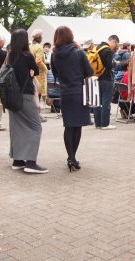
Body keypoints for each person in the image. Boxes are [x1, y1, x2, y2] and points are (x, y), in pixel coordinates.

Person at [50, 26, 94, 171]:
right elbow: (90, 72)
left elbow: (55, 73)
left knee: (69, 126)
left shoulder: (54, 55)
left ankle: (71, 157)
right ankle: (72, 157)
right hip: (79, 92)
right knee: (78, 126)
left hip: (65, 92)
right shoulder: (79, 53)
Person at [6, 29, 48, 173]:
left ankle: (17, 160)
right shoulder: (26, 55)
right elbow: (35, 71)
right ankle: (31, 162)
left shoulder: (9, 56)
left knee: (16, 127)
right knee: (36, 127)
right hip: (26, 95)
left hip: (11, 96)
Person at [94, 35, 118, 130]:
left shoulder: (97, 48)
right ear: (114, 41)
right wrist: (115, 63)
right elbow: (109, 66)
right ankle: (105, 124)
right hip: (106, 78)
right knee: (106, 101)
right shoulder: (107, 50)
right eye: (116, 44)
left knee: (97, 102)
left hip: (96, 77)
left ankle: (98, 123)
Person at [29, 29, 48, 103]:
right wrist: (45, 68)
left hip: (31, 71)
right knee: (39, 92)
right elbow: (38, 61)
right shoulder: (39, 47)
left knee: (34, 92)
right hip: (39, 72)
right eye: (42, 36)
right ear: (39, 37)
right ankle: (37, 112)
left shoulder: (30, 46)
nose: (42, 38)